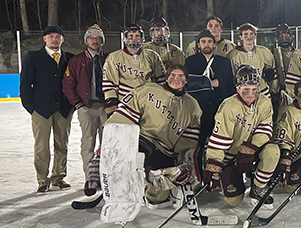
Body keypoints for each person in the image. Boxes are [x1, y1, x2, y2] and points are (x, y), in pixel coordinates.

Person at [106, 65, 202, 205]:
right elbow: (124, 114)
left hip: (165, 150)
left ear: (186, 80)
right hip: (141, 139)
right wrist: (111, 138)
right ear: (167, 78)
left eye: (181, 76)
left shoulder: (192, 105)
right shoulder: (148, 90)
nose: (176, 79)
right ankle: (148, 176)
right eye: (173, 76)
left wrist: (178, 156)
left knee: (158, 198)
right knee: (139, 161)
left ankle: (150, 185)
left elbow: (190, 137)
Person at [202, 65, 278, 207]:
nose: (251, 94)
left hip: (252, 150)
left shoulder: (265, 102)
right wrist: (214, 164)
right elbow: (219, 139)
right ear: (238, 88)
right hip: (231, 156)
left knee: (273, 151)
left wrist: (249, 149)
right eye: (246, 90)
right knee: (234, 201)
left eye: (254, 90)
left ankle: (258, 187)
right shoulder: (229, 106)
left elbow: (266, 129)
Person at [20, 25, 75, 193]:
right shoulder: (33, 57)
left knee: (61, 145)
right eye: (51, 36)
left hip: (64, 110)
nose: (54, 39)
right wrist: (31, 107)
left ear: (62, 39)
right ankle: (42, 180)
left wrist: (71, 106)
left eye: (58, 36)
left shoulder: (70, 58)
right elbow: (24, 84)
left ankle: (58, 177)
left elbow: (74, 83)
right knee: (42, 147)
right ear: (44, 39)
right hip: (41, 110)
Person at [62, 24, 109, 195]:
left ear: (102, 41)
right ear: (86, 40)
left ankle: (106, 176)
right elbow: (67, 85)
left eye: (98, 38)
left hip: (106, 107)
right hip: (86, 106)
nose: (94, 41)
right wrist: (78, 104)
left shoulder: (109, 58)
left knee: (108, 144)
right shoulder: (76, 61)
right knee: (88, 142)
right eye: (91, 38)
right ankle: (90, 178)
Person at [185, 28, 235, 146]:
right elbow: (187, 84)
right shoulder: (190, 62)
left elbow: (230, 85)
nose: (206, 44)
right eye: (203, 42)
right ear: (198, 44)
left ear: (214, 44)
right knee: (198, 141)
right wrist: (207, 83)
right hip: (199, 106)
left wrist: (221, 83)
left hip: (219, 106)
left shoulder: (224, 62)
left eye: (209, 41)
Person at [102, 24, 166, 116]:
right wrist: (111, 103)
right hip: (125, 103)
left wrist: (162, 99)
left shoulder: (152, 55)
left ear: (142, 38)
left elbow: (161, 79)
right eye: (130, 36)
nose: (134, 39)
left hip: (149, 101)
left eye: (137, 36)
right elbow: (109, 83)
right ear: (125, 39)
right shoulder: (113, 58)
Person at [226, 22, 277, 99]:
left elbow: (272, 73)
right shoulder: (232, 55)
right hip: (243, 92)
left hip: (262, 91)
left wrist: (274, 90)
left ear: (255, 36)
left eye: (251, 34)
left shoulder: (264, 52)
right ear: (240, 37)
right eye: (245, 34)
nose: (249, 37)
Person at [271, 22, 296, 108]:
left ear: (290, 36)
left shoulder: (298, 53)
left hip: (295, 91)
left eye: (286, 35)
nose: (284, 38)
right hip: (279, 93)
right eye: (281, 36)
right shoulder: (273, 53)